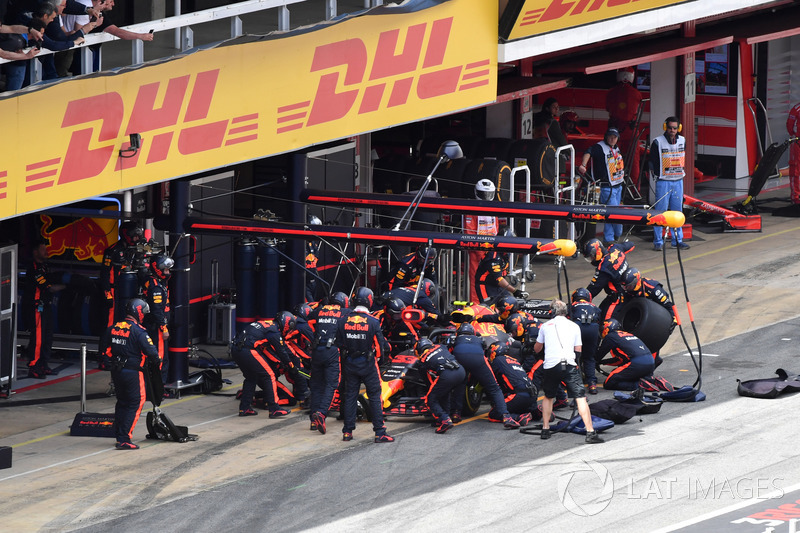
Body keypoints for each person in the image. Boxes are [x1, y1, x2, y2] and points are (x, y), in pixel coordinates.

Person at [534, 299, 603, 443]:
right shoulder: (574, 326)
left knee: (548, 396)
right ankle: (590, 432)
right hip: (569, 364)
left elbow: (537, 348)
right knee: (580, 398)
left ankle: (545, 429)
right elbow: (578, 350)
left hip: (551, 365)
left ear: (551, 312)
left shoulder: (545, 326)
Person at [336, 287, 394, 443]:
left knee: (350, 396)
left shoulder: (342, 321)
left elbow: (338, 343)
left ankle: (347, 432)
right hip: (368, 364)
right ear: (369, 300)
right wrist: (380, 361)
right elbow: (380, 349)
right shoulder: (373, 322)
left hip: (349, 363)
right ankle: (379, 432)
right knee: (375, 396)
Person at [104, 298, 160, 449]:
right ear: (138, 311)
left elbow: (105, 352)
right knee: (135, 403)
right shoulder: (140, 332)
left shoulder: (113, 327)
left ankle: (119, 434)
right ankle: (124, 439)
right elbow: (153, 354)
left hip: (116, 372)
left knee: (122, 402)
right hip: (133, 372)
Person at [450, 322, 519, 428]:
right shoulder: (479, 339)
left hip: (460, 359)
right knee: (494, 388)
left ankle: (455, 413)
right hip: (478, 359)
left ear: (458, 333)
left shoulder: (454, 339)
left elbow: (449, 352)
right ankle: (506, 416)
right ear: (472, 333)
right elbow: (485, 350)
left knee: (459, 385)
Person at [229, 318, 293, 418]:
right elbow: (281, 350)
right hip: (247, 350)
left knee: (251, 378)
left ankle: (244, 408)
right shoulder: (274, 330)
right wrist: (289, 363)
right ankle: (274, 409)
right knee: (269, 375)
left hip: (236, 349)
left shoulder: (265, 323)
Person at [307, 292, 350, 434]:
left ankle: (314, 420)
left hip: (317, 350)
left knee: (316, 385)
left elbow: (307, 320)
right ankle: (321, 413)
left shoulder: (319, 310)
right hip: (332, 351)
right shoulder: (345, 312)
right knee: (332, 384)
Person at [23, 241, 65, 379]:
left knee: (48, 337)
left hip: (46, 306)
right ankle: (34, 366)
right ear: (35, 252)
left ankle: (43, 364)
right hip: (36, 307)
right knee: (38, 338)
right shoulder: (34, 268)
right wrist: (68, 285)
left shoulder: (45, 267)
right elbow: (49, 287)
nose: (46, 252)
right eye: (43, 250)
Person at [578, 128, 625, 245]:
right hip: (606, 188)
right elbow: (588, 152)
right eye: (610, 136)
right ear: (606, 137)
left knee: (610, 215)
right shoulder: (599, 147)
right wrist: (583, 165)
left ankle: (609, 239)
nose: (612, 139)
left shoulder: (616, 148)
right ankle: (616, 235)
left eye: (615, 137)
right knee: (614, 214)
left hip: (618, 186)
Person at [649, 116, 689, 251]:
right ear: (665, 127)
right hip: (663, 181)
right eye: (670, 128)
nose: (672, 130)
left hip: (678, 181)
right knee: (660, 213)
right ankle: (658, 241)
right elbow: (651, 161)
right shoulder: (657, 142)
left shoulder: (683, 140)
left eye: (675, 128)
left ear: (679, 128)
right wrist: (654, 173)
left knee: (677, 212)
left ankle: (677, 240)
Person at [414, 338, 465, 434]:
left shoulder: (423, 360)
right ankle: (445, 416)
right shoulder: (441, 346)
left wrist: (432, 392)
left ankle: (444, 419)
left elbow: (428, 381)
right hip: (461, 371)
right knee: (445, 392)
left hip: (447, 375)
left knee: (430, 399)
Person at [100, 221, 143, 328]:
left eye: (138, 237)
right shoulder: (112, 251)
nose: (137, 239)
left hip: (131, 291)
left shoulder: (137, 251)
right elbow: (104, 274)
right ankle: (108, 343)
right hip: (114, 291)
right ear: (127, 235)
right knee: (111, 321)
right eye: (135, 236)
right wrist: (107, 294)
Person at [606, 67, 643, 185]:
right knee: (634, 162)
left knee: (612, 159)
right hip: (631, 131)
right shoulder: (637, 94)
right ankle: (633, 188)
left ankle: (614, 184)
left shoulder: (611, 93)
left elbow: (608, 108)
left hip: (614, 130)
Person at [596, 318, 655, 392]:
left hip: (637, 364)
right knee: (618, 371)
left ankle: (638, 385)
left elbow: (598, 356)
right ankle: (653, 381)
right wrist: (603, 362)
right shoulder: (629, 334)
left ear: (606, 328)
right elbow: (621, 359)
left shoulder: (611, 336)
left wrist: (593, 360)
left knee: (609, 383)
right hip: (650, 363)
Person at [464, 179, 498, 302]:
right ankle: (476, 304)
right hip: (477, 252)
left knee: (494, 278)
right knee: (475, 280)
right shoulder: (471, 209)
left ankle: (492, 304)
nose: (486, 197)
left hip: (492, 250)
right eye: (484, 194)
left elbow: (496, 228)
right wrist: (480, 251)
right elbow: (469, 231)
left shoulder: (494, 207)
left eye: (489, 194)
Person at [141, 254, 173, 388]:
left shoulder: (153, 281)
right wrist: (164, 328)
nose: (168, 272)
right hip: (157, 328)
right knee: (160, 358)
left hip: (153, 325)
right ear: (157, 269)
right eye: (166, 270)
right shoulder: (156, 288)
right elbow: (157, 311)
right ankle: (158, 389)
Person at [487, 342, 534, 427]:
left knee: (493, 414)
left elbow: (491, 381)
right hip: (531, 395)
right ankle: (537, 411)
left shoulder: (497, 361)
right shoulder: (515, 360)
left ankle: (518, 417)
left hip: (518, 396)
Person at [569, 288, 601, 394]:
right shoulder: (595, 307)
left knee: (574, 356)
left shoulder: (572, 306)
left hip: (578, 328)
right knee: (589, 357)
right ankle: (592, 384)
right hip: (593, 329)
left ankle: (576, 384)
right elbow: (599, 318)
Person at [783, 102, 800, 214]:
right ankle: (796, 197)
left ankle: (796, 198)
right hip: (797, 143)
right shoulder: (797, 108)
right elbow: (790, 125)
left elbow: (790, 125)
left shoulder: (796, 108)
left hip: (797, 142)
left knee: (795, 170)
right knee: (795, 170)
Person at [304, 215, 322, 302]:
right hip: (303, 282)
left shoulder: (313, 243)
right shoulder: (299, 243)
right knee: (310, 306)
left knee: (314, 303)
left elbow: (317, 255)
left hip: (313, 280)